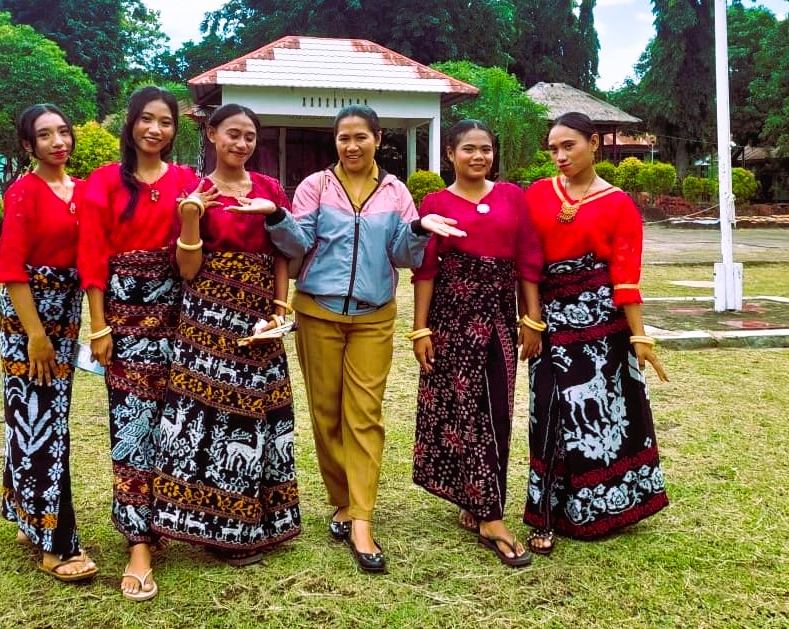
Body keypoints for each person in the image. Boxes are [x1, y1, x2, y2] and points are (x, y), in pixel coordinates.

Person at [234, 104, 465, 573]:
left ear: (378, 139)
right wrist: (277, 216)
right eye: (344, 138)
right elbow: (298, 244)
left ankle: (361, 518)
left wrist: (417, 229)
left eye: (361, 137)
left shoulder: (396, 192)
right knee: (326, 413)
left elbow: (402, 256)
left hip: (373, 317)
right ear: (335, 141)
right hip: (317, 312)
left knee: (364, 416)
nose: (352, 145)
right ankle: (341, 500)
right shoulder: (315, 187)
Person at [150, 104, 301, 563]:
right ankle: (213, 527)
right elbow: (187, 270)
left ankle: (262, 522)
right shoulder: (195, 191)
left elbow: (283, 254)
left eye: (250, 137)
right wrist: (191, 216)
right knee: (207, 418)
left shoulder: (270, 189)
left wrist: (279, 309)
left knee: (260, 416)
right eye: (233, 134)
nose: (242, 144)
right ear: (212, 134)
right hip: (207, 318)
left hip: (258, 318)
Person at [522, 111, 669, 555]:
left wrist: (639, 337)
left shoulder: (619, 203)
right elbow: (527, 264)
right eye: (553, 149)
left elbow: (625, 274)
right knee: (548, 411)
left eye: (569, 146)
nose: (560, 156)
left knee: (601, 416)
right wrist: (531, 319)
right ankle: (544, 514)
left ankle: (603, 509)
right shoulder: (537, 194)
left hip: (604, 326)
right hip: (549, 320)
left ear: (594, 144)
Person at [78, 86, 198, 600]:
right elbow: (92, 255)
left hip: (180, 318)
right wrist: (99, 326)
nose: (156, 129)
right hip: (123, 320)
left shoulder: (187, 181)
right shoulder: (104, 181)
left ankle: (175, 521)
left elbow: (195, 257)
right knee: (132, 428)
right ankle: (138, 543)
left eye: (166, 122)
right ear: (130, 124)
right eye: (147, 119)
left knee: (178, 425)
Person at [411, 120, 543, 568]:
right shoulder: (436, 202)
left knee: (497, 410)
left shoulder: (511, 196)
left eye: (486, 149)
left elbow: (528, 259)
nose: (479, 156)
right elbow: (426, 269)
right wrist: (420, 329)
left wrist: (531, 318)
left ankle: (484, 502)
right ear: (450, 153)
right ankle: (487, 513)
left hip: (500, 316)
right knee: (462, 409)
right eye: (469, 149)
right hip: (452, 318)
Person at [0, 103, 98, 582]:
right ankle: (55, 543)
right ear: (28, 145)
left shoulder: (84, 191)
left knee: (44, 417)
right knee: (38, 423)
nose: (59, 142)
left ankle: (24, 512)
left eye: (64, 132)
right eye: (46, 135)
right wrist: (35, 335)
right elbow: (12, 269)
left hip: (67, 316)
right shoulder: (23, 192)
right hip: (27, 320)